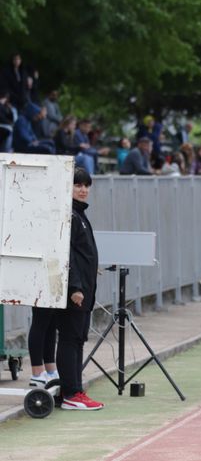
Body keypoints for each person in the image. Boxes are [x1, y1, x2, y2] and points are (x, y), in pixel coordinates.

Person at [56, 167, 104, 410]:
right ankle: (70, 393)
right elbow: (67, 256)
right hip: (76, 291)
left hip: (85, 287)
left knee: (78, 339)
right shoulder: (70, 215)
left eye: (86, 186)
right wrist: (75, 286)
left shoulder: (80, 215)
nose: (83, 190)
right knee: (70, 338)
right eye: (78, 185)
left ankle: (75, 389)